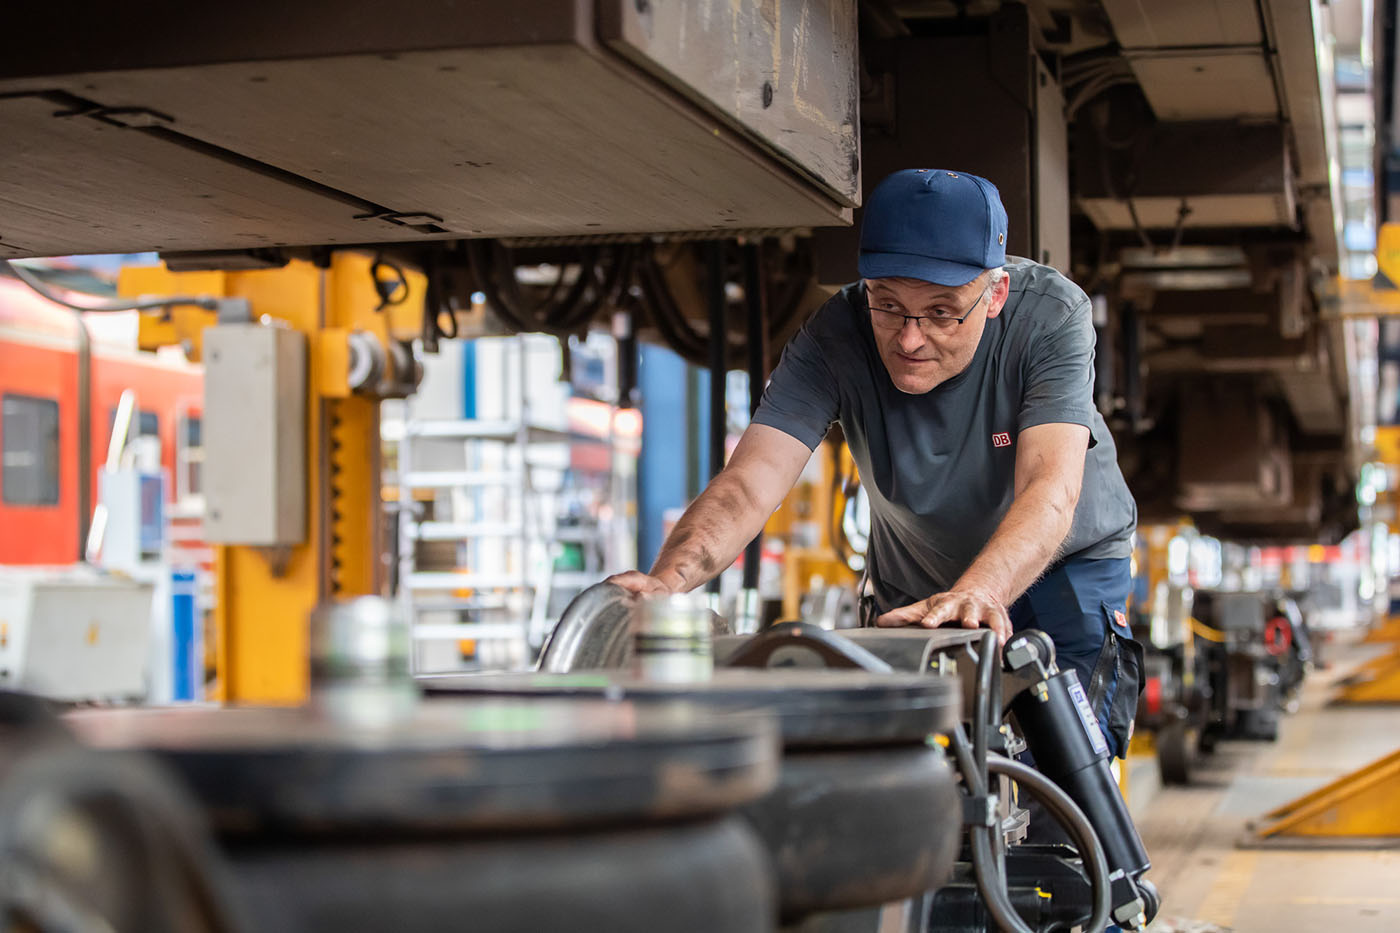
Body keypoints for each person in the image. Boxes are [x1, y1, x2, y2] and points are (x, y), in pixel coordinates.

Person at [608, 168, 1142, 759]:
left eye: (941, 313)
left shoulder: (1050, 316)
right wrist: (668, 583)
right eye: (888, 306)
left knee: (1068, 776)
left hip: (1063, 567)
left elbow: (1050, 488)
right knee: (912, 775)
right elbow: (748, 484)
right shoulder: (835, 335)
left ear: (994, 296)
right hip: (918, 582)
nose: (910, 339)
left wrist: (982, 591)